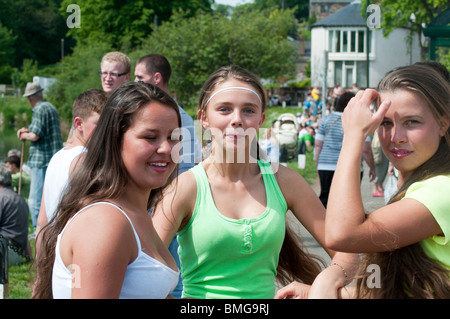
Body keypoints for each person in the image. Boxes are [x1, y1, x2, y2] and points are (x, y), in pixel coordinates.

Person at [152, 65, 359, 299]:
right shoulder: (185, 187)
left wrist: (327, 280)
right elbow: (144, 271)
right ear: (204, 119)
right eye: (224, 109)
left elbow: (347, 252)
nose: (237, 120)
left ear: (261, 119)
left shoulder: (284, 181)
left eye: (248, 110)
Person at [33, 82, 181, 299]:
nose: (167, 149)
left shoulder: (134, 212)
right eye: (150, 137)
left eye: (174, 137)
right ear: (115, 140)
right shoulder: (105, 222)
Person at [325, 64, 450, 298]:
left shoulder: (442, 190)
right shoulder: (420, 187)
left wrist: (353, 135)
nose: (396, 137)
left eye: (412, 122)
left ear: (443, 123)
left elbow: (340, 234)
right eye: (385, 123)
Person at [134, 53, 202, 298]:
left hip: (167, 205)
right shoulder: (181, 114)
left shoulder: (178, 116)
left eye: (139, 78)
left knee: (169, 271)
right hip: (168, 204)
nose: (136, 82)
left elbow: (188, 165)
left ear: (157, 78)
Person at [35, 89, 107, 244]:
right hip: (76, 253)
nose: (106, 131)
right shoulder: (86, 160)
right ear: (79, 124)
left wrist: (40, 266)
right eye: (100, 124)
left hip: (56, 251)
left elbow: (42, 222)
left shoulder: (57, 157)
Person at [315, 91, 375, 207]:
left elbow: (318, 145)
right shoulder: (360, 122)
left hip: (325, 165)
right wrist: (372, 167)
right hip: (351, 166)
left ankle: (323, 224)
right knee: (349, 202)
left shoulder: (325, 120)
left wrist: (318, 164)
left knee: (325, 199)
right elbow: (365, 149)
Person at [17, 82, 63, 232]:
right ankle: (49, 230)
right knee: (50, 197)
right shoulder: (50, 107)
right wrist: (28, 130)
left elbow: (35, 136)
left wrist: (23, 134)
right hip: (53, 159)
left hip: (41, 160)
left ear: (30, 98)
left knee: (35, 200)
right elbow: (41, 130)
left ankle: (38, 231)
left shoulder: (38, 109)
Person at [0, 164, 31, 265]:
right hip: (17, 256)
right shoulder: (20, 199)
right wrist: (29, 256)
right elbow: (24, 234)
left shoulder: (1, 198)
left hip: (4, 254)